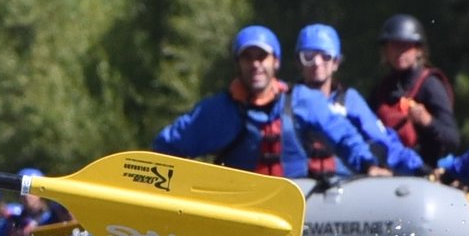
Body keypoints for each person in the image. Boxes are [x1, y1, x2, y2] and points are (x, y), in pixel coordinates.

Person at [151, 25, 376, 178]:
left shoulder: (303, 101)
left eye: (262, 57)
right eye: (247, 58)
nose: (255, 65)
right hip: (243, 207)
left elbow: (344, 135)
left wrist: (368, 165)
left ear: (275, 62)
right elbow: (168, 146)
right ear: (238, 64)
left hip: (302, 205)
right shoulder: (218, 110)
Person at [296, 24, 415, 177]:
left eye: (325, 56)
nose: (317, 63)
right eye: (308, 56)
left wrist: (419, 168)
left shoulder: (350, 101)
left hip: (345, 187)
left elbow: (384, 141)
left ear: (336, 63)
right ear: (298, 62)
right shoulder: (288, 101)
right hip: (299, 186)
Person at [370, 15, 465, 164]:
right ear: (385, 51)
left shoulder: (430, 85)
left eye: (405, 45)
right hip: (389, 173)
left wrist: (427, 121)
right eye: (394, 45)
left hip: (427, 172)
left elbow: (453, 140)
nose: (400, 52)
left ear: (418, 50)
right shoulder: (381, 90)